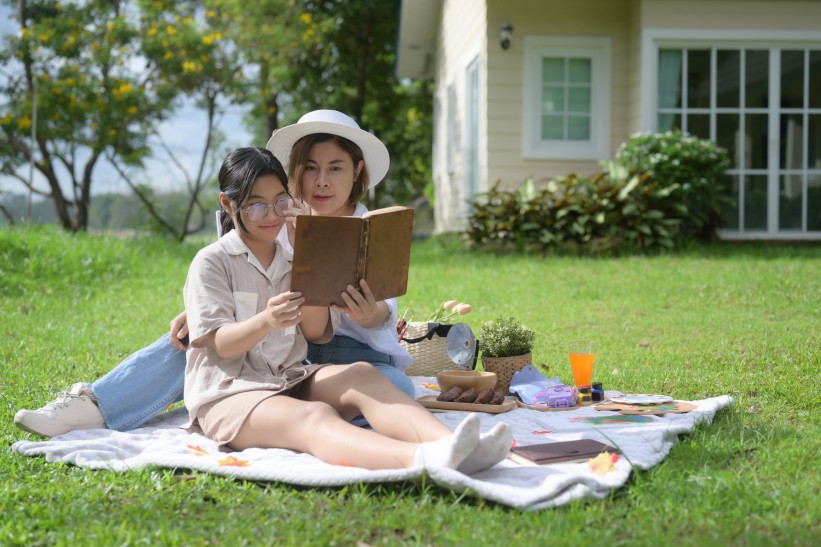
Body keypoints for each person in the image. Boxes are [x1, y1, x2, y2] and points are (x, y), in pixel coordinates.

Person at [13, 110, 415, 438]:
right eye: (311, 168)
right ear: (296, 170)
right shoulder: (275, 217)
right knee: (196, 339)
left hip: (352, 354)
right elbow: (230, 280)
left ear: (357, 170)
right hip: (281, 347)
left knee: (396, 388)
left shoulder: (372, 227)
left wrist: (370, 314)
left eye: (335, 168)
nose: (321, 181)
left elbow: (384, 313)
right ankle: (97, 403)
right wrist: (206, 310)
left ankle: (286, 414)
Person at [183, 145, 512, 472]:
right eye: (257, 206)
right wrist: (265, 321)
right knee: (314, 416)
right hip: (230, 394)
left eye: (280, 202)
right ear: (227, 203)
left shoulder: (291, 260)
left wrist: (308, 253)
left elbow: (314, 331)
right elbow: (221, 345)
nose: (271, 216)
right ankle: (424, 460)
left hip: (287, 380)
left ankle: (459, 446)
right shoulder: (212, 262)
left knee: (362, 374)